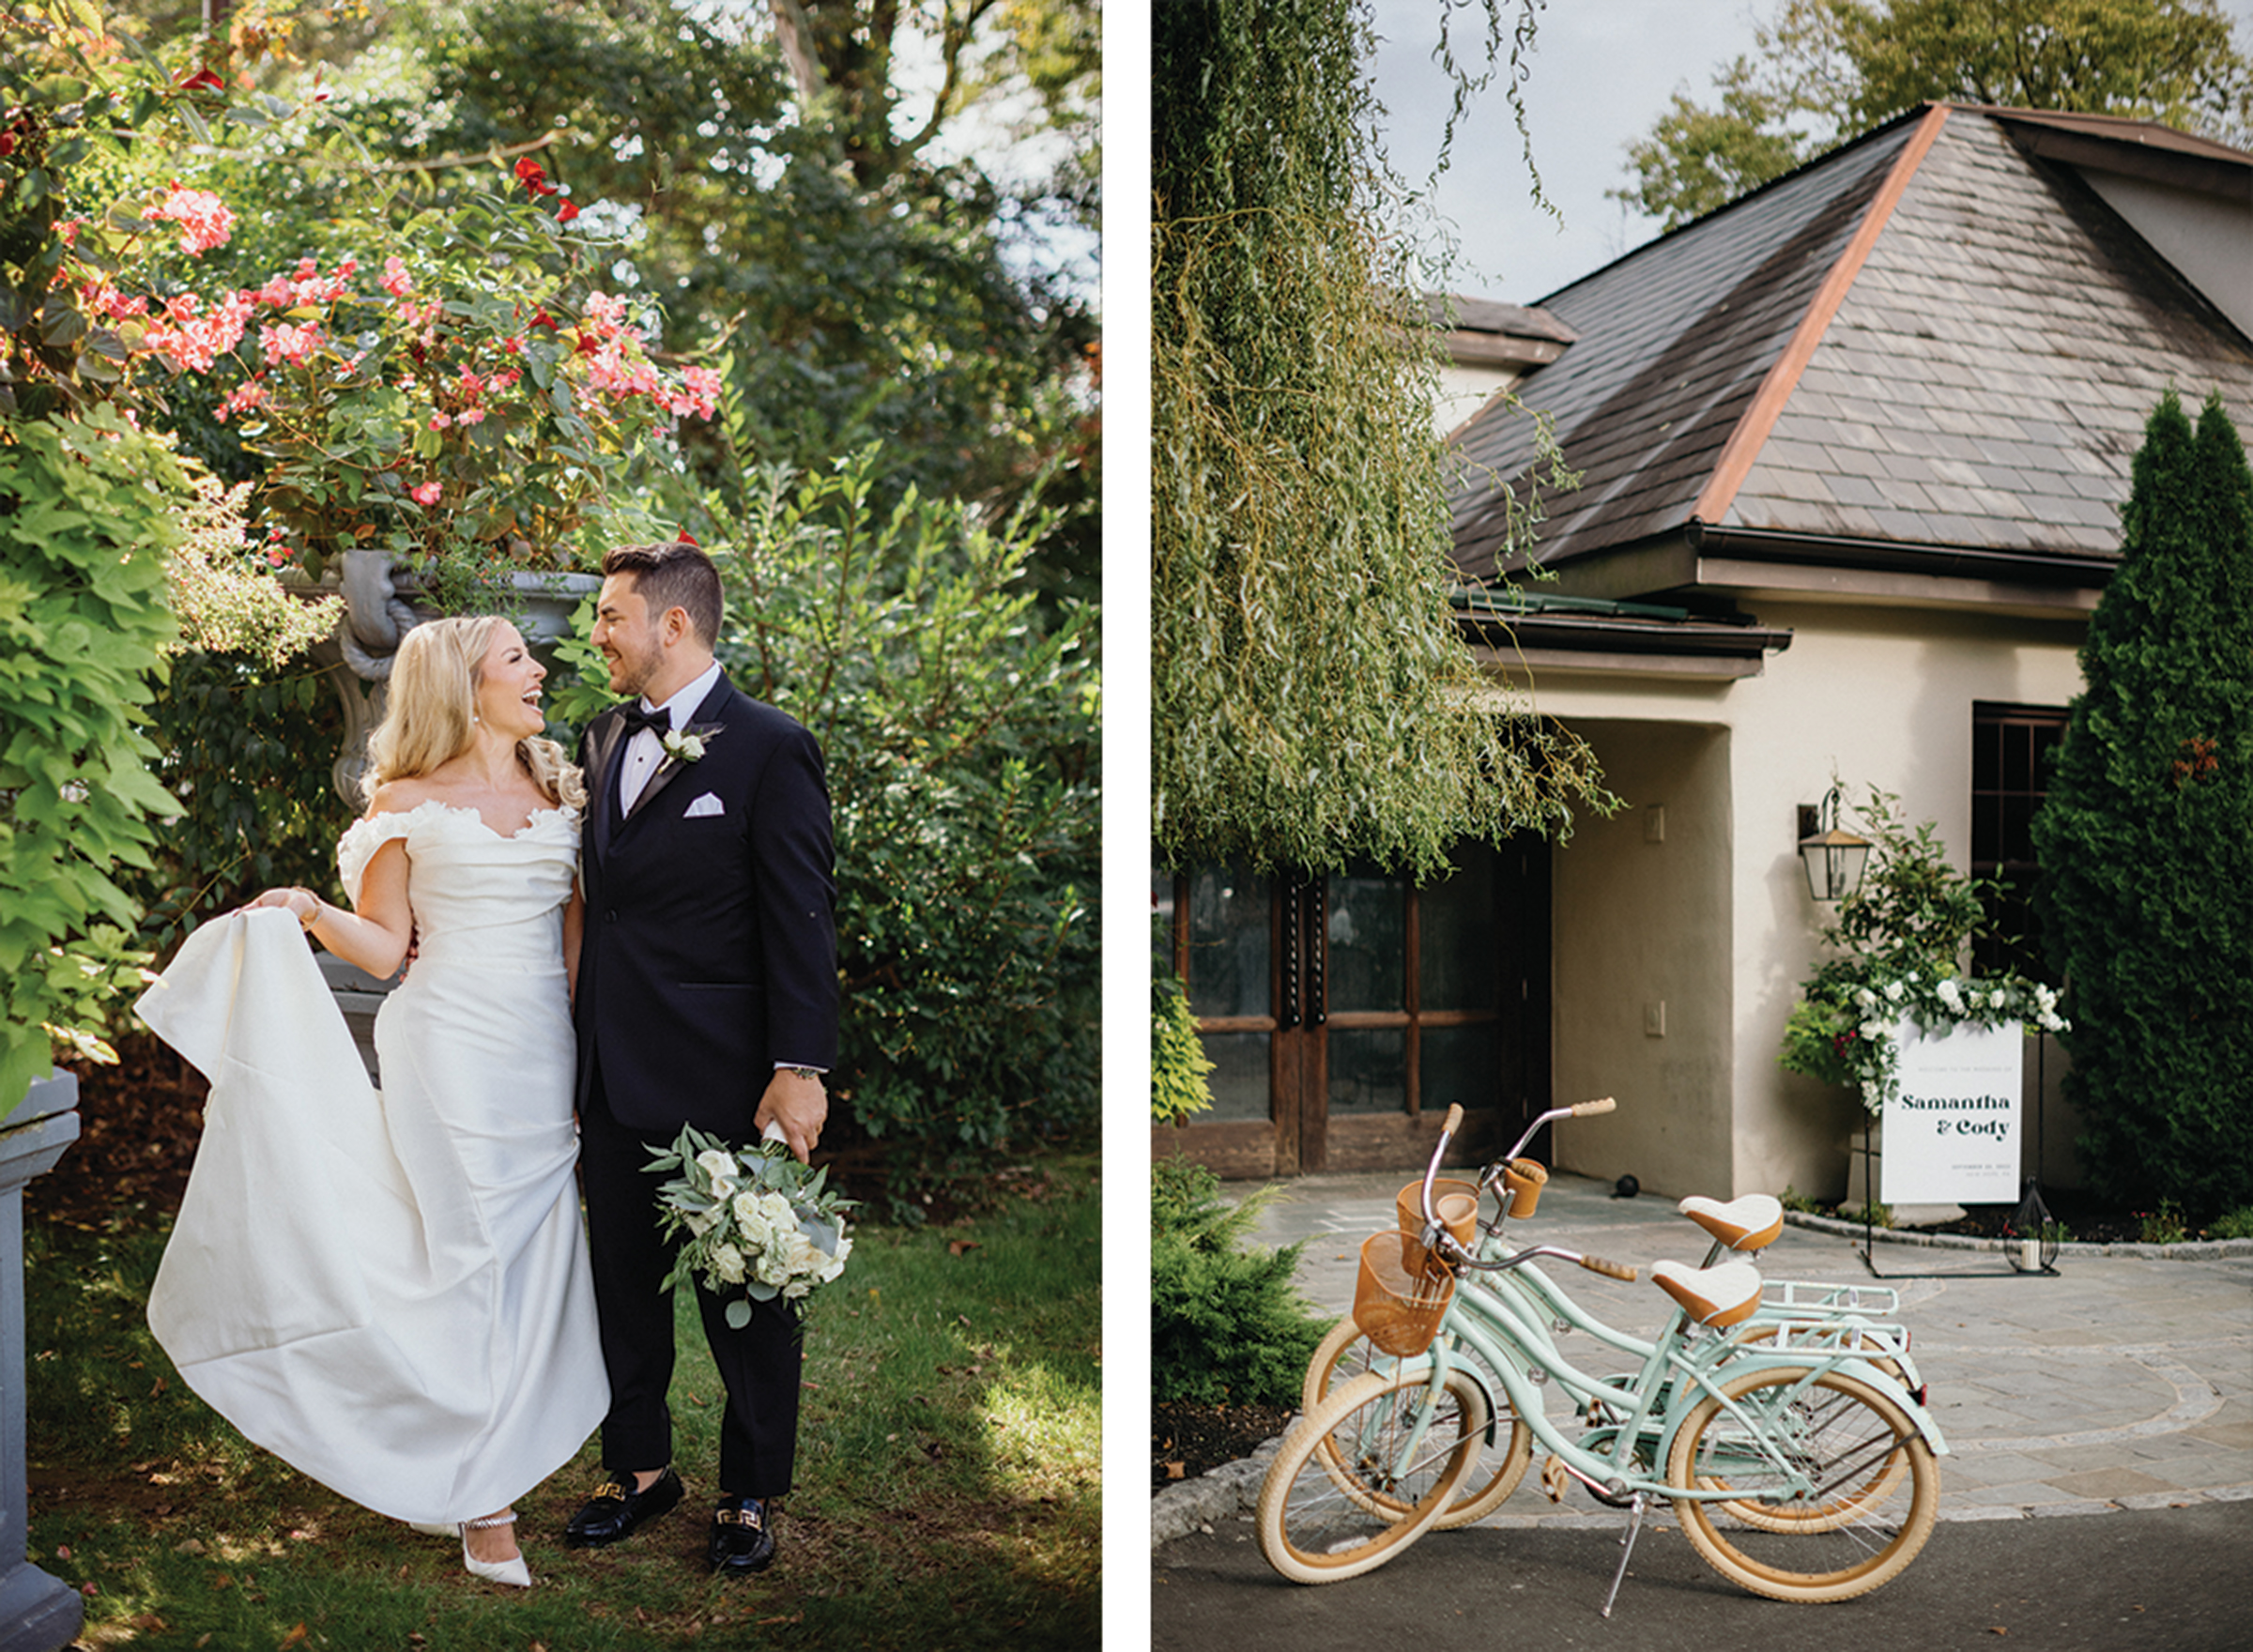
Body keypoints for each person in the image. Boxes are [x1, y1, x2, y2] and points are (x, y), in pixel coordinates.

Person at [135, 616, 608, 1589]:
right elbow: (390, 950)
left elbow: (575, 940)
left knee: (533, 1254)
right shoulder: (402, 804)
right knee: (473, 1249)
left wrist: (587, 1054)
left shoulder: (559, 785)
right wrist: (310, 908)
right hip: (448, 1051)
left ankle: (502, 1435)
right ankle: (485, 1499)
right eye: (518, 657)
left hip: (542, 1051)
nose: (541, 669)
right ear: (462, 685)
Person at [562, 539, 839, 1578]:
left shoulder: (772, 747)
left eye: (611, 617)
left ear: (672, 624)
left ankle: (750, 1486)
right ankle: (638, 1469)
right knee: (621, 1283)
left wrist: (799, 1063)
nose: (599, 636)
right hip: (611, 1064)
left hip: (728, 1070)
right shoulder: (597, 737)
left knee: (750, 1289)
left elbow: (800, 918)